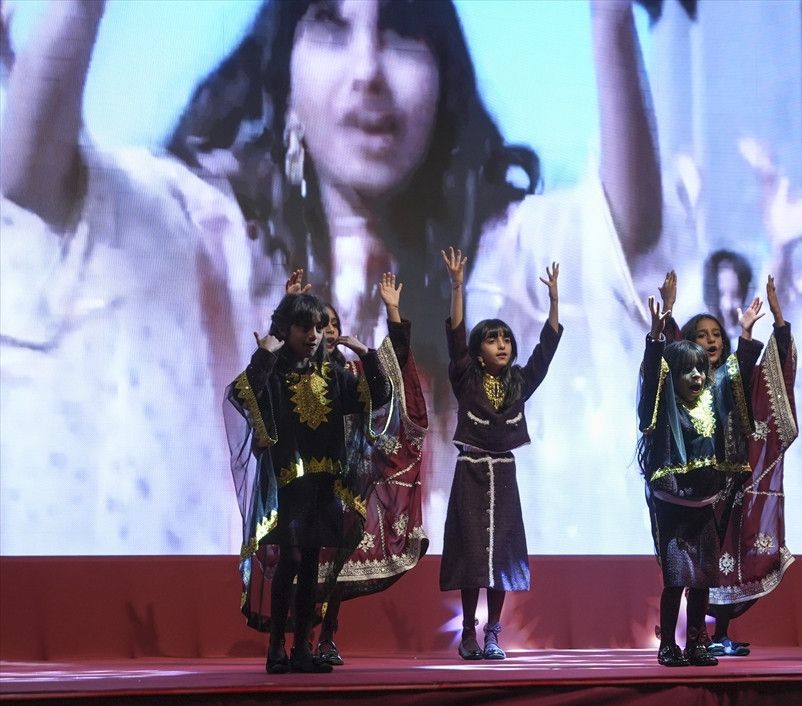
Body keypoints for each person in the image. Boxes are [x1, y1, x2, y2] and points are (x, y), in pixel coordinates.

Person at [0, 0, 660, 556]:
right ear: (286, 71)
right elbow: (33, 182)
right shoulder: (216, 241)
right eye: (331, 27)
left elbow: (626, 228)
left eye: (401, 32)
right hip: (238, 651)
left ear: (443, 77)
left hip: (431, 655)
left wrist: (611, 16)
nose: (367, 71)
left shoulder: (487, 258)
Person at [226, 289, 391, 673]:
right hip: (287, 488)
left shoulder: (333, 375)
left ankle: (302, 648)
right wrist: (264, 355)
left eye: (319, 327)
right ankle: (276, 647)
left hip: (324, 487)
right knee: (291, 559)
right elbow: (242, 396)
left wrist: (367, 356)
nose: (314, 335)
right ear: (286, 329)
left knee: (312, 563)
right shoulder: (273, 375)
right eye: (305, 327)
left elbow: (379, 396)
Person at [659, 271, 799, 656]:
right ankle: (681, 638)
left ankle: (715, 634)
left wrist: (768, 323)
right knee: (690, 566)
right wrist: (667, 311)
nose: (711, 341)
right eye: (702, 336)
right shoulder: (686, 381)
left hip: (732, 478)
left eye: (716, 335)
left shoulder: (730, 377)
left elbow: (751, 366)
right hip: (694, 486)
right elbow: (666, 351)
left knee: (727, 555)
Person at [440, 247, 561, 661]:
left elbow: (544, 354)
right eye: (492, 339)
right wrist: (457, 287)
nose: (502, 344)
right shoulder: (466, 378)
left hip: (504, 472)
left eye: (506, 338)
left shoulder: (518, 383)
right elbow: (456, 337)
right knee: (473, 554)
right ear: (478, 352)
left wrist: (553, 302)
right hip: (471, 470)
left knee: (502, 556)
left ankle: (494, 633)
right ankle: (468, 633)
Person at [638, 291, 764, 666]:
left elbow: (735, 372)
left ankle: (697, 643)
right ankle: (668, 645)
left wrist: (745, 335)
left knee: (703, 579)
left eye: (700, 371)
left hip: (703, 503)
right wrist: (655, 338)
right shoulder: (664, 407)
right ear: (672, 378)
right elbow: (652, 378)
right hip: (674, 505)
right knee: (677, 578)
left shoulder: (713, 393)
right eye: (687, 371)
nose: (696, 376)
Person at [312, 273, 430, 667]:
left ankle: (326, 638)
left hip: (346, 480)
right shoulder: (295, 373)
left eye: (333, 324)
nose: (329, 331)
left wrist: (392, 314)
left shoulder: (352, 374)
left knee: (338, 560)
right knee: (305, 560)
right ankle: (294, 641)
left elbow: (392, 377)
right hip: (306, 478)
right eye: (320, 324)